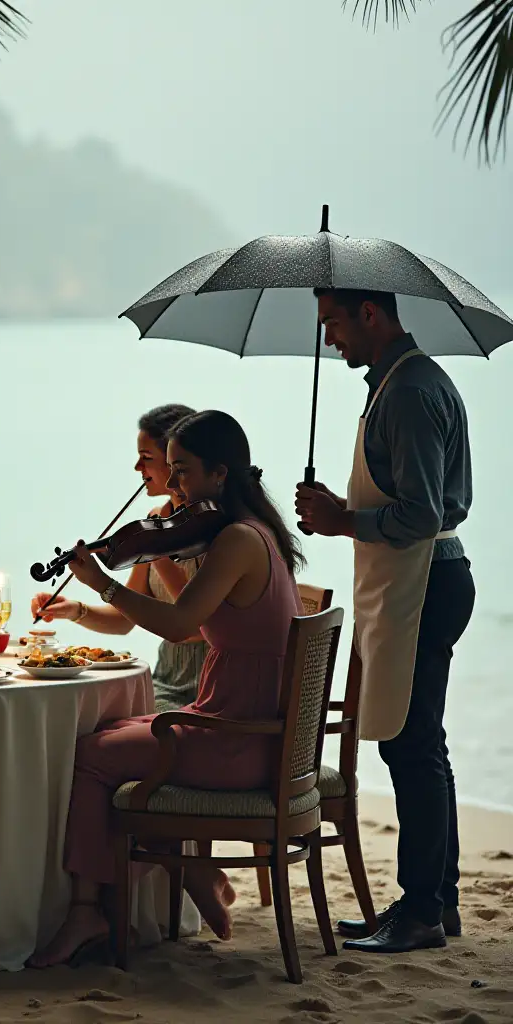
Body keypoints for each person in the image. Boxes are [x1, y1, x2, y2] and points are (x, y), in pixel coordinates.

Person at [29, 410, 304, 967]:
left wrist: (102, 582)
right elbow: (200, 620)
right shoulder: (255, 533)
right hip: (243, 730)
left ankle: (88, 908)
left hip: (236, 742)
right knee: (111, 731)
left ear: (219, 474)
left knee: (89, 755)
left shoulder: (237, 541)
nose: (173, 485)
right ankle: (188, 873)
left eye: (181, 471)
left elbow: (180, 625)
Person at [295, 288, 474, 955]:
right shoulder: (403, 382)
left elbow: (422, 514)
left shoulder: (406, 391)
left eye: (333, 323)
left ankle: (423, 909)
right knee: (420, 740)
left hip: (425, 581)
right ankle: (438, 901)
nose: (329, 339)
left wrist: (344, 521)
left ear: (371, 313)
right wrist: (345, 513)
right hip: (427, 580)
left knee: (409, 743)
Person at [30, 404, 209, 711]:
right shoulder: (160, 519)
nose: (138, 468)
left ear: (176, 461)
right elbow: (125, 619)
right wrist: (75, 610)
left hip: (200, 691)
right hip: (161, 682)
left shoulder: (212, 530)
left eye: (147, 458)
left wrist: (159, 551)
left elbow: (195, 626)